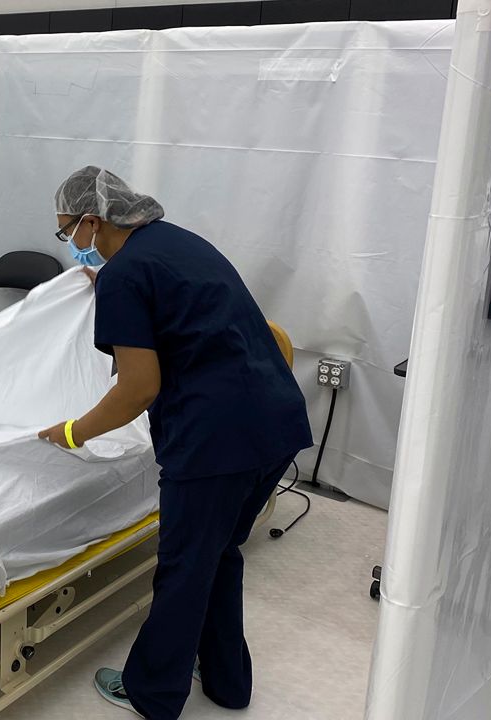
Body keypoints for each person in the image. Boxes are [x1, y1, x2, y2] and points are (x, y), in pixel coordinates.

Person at [37, 167, 313, 720]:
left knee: (185, 567)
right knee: (218, 554)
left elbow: (140, 387)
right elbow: (186, 313)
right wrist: (112, 285)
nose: (73, 246)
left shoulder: (125, 277)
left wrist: (74, 431)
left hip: (215, 442)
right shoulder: (173, 243)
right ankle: (228, 682)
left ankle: (153, 694)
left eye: (70, 233)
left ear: (95, 220)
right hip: (275, 422)